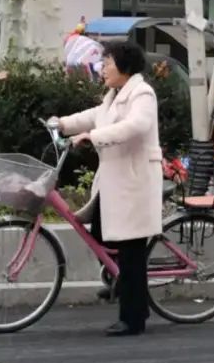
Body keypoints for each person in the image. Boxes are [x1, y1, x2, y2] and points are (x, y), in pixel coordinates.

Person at [56, 41, 163, 336]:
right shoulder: (113, 96)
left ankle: (133, 318)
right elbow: (93, 115)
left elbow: (135, 126)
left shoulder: (142, 93)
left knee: (131, 251)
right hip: (115, 182)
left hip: (134, 183)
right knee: (100, 233)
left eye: (107, 64)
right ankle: (123, 284)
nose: (102, 69)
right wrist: (62, 123)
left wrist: (93, 136)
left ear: (125, 67)